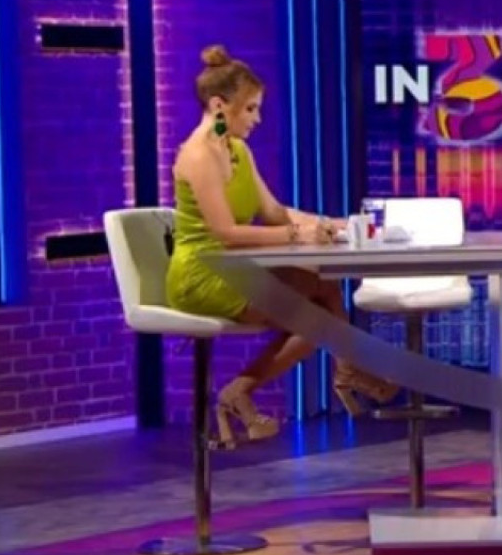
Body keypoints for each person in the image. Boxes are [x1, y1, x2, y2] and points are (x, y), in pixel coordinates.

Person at [165, 45, 398, 446]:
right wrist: (297, 236)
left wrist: (332, 224)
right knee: (317, 316)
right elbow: (225, 232)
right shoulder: (198, 156)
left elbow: (274, 212)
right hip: (202, 275)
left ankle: (334, 372)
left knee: (323, 285)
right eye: (250, 109)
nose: (257, 119)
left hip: (236, 268)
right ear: (219, 106)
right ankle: (252, 389)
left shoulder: (238, 150)